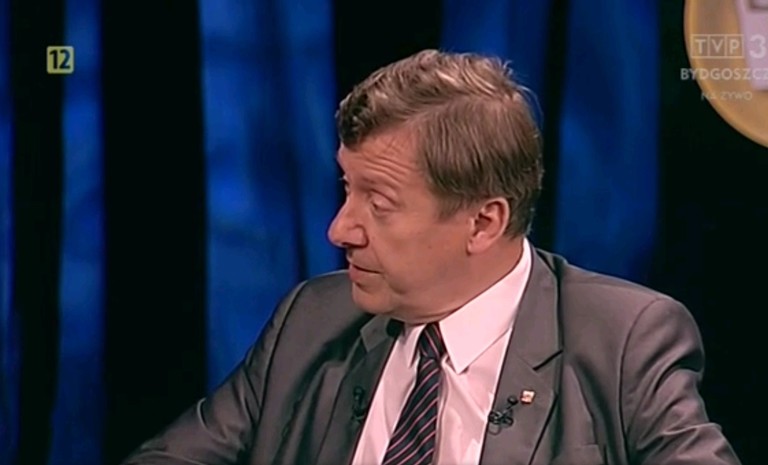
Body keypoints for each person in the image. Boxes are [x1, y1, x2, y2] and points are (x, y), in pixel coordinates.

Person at [120, 49, 741, 465]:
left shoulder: (623, 342)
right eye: (347, 188)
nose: (340, 229)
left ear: (483, 222)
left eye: (380, 202)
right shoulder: (312, 319)